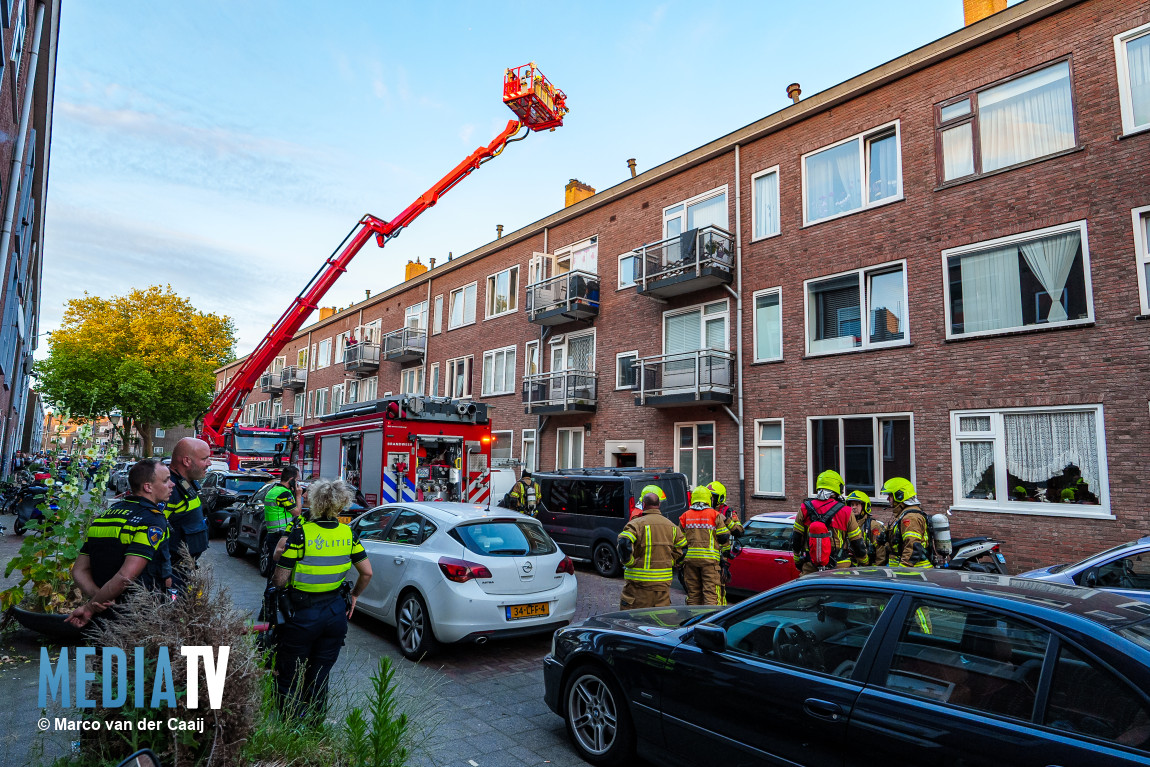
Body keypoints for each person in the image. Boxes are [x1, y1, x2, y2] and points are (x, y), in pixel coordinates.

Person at [272, 479, 373, 722]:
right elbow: (367, 572)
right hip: (335, 614)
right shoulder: (348, 534)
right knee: (319, 674)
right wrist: (355, 595)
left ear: (314, 502)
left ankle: (289, 724)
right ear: (341, 504)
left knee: (289, 674)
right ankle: (315, 723)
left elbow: (280, 580)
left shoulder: (302, 533)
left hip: (302, 614)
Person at [66, 459, 174, 628]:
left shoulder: (106, 515)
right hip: (139, 614)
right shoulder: (152, 519)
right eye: (166, 480)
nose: (172, 484)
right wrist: (89, 608)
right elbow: (126, 576)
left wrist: (97, 599)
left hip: (104, 615)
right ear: (148, 487)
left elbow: (79, 570)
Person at [616, 491, 687, 609]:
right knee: (660, 623)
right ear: (659, 504)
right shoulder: (672, 526)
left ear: (643, 504)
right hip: (662, 589)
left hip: (639, 589)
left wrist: (630, 563)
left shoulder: (636, 524)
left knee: (635, 623)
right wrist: (672, 561)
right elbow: (683, 547)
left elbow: (624, 542)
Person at [792, 470, 866, 574]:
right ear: (837, 488)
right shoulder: (846, 511)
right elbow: (857, 543)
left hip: (811, 568)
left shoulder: (804, 508)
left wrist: (797, 561)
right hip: (840, 568)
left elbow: (796, 539)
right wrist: (865, 562)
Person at [166, 438, 213, 581]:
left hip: (182, 570)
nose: (209, 463)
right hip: (171, 572)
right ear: (187, 461)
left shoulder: (186, 484)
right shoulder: (169, 490)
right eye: (205, 459)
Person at [678, 486, 731, 606]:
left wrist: (680, 561)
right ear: (709, 499)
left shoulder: (685, 516)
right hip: (710, 562)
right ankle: (709, 622)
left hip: (690, 562)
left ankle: (693, 620)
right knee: (711, 594)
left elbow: (679, 541)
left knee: (693, 594)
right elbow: (723, 537)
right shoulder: (714, 515)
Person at [882, 477, 933, 568]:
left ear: (899, 495)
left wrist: (903, 569)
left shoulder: (910, 518)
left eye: (890, 496)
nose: (887, 499)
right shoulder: (903, 514)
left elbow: (913, 546)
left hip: (915, 573)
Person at [708, 481, 742, 605]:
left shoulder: (728, 512)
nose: (710, 499)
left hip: (723, 557)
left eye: (713, 496)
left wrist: (727, 520)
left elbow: (739, 532)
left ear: (720, 498)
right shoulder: (705, 512)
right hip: (709, 556)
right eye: (709, 496)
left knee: (719, 589)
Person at [264, 466, 300, 566]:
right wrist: (298, 495)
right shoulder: (284, 494)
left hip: (272, 533)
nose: (298, 483)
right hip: (280, 534)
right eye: (297, 480)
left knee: (273, 564)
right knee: (280, 566)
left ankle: (271, 582)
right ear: (291, 480)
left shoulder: (273, 490)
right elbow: (297, 513)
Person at [845, 490, 886, 566]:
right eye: (852, 504)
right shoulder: (846, 525)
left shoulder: (874, 526)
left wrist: (877, 570)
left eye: (857, 504)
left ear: (864, 507)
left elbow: (880, 551)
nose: (853, 507)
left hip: (869, 568)